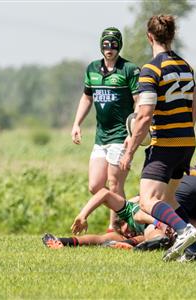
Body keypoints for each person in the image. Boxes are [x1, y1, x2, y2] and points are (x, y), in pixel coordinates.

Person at [119, 15, 196, 262]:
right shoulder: (187, 67)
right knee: (168, 199)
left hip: (165, 145)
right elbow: (194, 109)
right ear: (172, 36)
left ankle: (184, 231)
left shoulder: (151, 70)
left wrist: (129, 151)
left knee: (148, 200)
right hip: (187, 142)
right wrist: (182, 132)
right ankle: (195, 252)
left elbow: (144, 116)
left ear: (149, 37)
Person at [70, 27, 140, 229]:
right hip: (101, 138)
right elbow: (87, 97)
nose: (109, 49)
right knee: (95, 185)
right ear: (101, 46)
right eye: (106, 44)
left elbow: (138, 102)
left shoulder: (129, 69)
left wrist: (132, 133)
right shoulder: (92, 69)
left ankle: (115, 228)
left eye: (114, 44)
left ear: (120, 46)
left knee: (114, 183)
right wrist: (77, 124)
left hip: (121, 136)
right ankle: (131, 213)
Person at [42, 190, 171, 250]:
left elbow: (105, 193)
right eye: (125, 233)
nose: (128, 232)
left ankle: (134, 243)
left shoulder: (130, 210)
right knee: (105, 238)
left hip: (158, 224)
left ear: (123, 221)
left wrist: (83, 215)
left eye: (125, 230)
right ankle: (62, 242)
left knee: (149, 233)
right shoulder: (131, 230)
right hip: (152, 232)